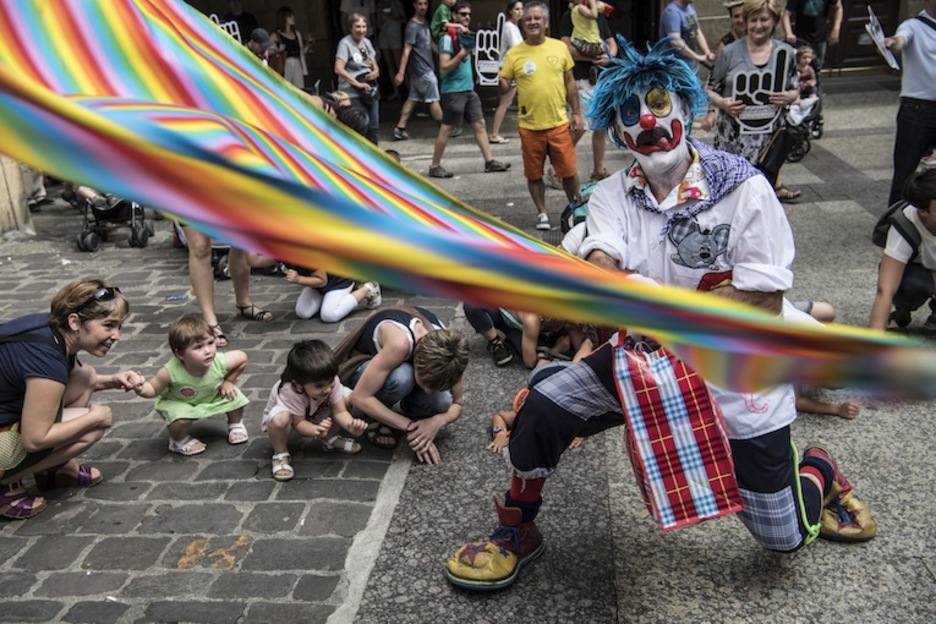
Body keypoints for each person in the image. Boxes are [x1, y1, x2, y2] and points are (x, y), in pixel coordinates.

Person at [444, 33, 875, 592]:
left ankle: (817, 468)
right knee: (545, 405)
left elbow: (763, 301)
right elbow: (602, 261)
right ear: (617, 130)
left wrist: (644, 298)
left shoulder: (744, 190)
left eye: (657, 104)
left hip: (734, 377)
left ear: (686, 107)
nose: (646, 122)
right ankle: (517, 530)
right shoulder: (611, 195)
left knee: (783, 538)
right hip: (643, 362)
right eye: (630, 113)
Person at [0, 280, 135, 520]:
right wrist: (94, 417)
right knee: (91, 428)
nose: (117, 336)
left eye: (120, 327)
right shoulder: (46, 359)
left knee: (85, 377)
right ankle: (5, 485)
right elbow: (35, 439)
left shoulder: (51, 330)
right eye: (109, 326)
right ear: (75, 322)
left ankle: (53, 470)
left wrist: (112, 380)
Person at [343, 307, 469, 465]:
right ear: (417, 361)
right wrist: (411, 428)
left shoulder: (452, 355)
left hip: (404, 365)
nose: (429, 391)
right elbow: (359, 397)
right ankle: (378, 414)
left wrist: (437, 421)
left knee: (443, 401)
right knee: (402, 378)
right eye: (425, 383)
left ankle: (408, 407)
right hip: (365, 371)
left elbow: (457, 403)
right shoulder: (399, 344)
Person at [707, 0, 801, 202]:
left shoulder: (785, 53)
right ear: (746, 22)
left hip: (768, 143)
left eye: (764, 19)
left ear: (774, 20)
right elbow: (708, 89)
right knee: (732, 197)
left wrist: (789, 97)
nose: (759, 25)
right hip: (732, 139)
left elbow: (795, 88)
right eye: (753, 20)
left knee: (763, 198)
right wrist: (723, 104)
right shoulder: (729, 52)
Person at [500, 1, 581, 231]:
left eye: (537, 18)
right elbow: (505, 88)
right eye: (528, 19)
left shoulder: (559, 48)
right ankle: (542, 213)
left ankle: (576, 208)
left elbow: (570, 82)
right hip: (529, 126)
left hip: (559, 123)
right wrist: (502, 81)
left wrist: (576, 113)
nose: (533, 22)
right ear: (523, 24)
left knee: (569, 172)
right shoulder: (514, 54)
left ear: (545, 23)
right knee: (534, 174)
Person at [131, 315, 249, 456]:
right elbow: (153, 389)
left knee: (234, 397)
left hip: (212, 395)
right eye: (198, 347)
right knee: (180, 419)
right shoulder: (169, 372)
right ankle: (178, 440)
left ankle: (235, 424)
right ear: (180, 354)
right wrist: (140, 388)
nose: (208, 350)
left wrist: (228, 381)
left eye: (210, 342)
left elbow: (242, 358)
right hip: (181, 401)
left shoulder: (219, 361)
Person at [262, 341, 368, 481]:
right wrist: (316, 430)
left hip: (315, 415)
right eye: (319, 386)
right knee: (280, 417)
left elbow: (340, 412)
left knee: (348, 397)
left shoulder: (330, 381)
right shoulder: (290, 391)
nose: (328, 389)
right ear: (299, 384)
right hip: (289, 427)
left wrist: (351, 425)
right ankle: (280, 453)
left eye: (330, 382)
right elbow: (299, 424)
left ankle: (330, 438)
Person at [427, 2, 511, 179]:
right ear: (454, 16)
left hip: (468, 89)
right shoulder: (447, 38)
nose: (467, 18)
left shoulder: (465, 36)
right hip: (453, 91)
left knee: (479, 124)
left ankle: (489, 161)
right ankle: (435, 165)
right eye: (463, 14)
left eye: (469, 15)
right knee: (447, 128)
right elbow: (443, 67)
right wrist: (462, 54)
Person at [870, 165, 936, 332]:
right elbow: (885, 290)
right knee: (909, 285)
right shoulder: (905, 224)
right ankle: (902, 312)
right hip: (920, 274)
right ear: (923, 212)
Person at [883, 0, 936, 208]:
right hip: (917, 109)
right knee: (905, 170)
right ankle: (894, 222)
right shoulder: (913, 25)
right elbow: (901, 40)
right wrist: (892, 43)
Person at [559, 4, 618, 182]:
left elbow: (611, 43)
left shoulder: (598, 16)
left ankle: (599, 171)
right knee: (579, 127)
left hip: (600, 78)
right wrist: (590, 58)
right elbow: (565, 48)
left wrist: (609, 57)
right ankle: (558, 170)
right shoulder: (569, 15)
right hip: (580, 78)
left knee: (600, 126)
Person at [392, 0, 444, 141]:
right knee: (433, 100)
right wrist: (401, 72)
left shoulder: (425, 22)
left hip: (419, 72)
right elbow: (406, 50)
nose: (423, 7)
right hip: (423, 71)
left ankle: (400, 128)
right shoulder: (412, 26)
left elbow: (430, 43)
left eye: (425, 4)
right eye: (420, 4)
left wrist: (442, 54)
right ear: (414, 5)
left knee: (413, 98)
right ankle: (445, 128)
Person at [335, 13, 381, 145]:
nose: (361, 30)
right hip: (353, 93)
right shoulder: (345, 44)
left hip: (369, 91)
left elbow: (373, 62)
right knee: (360, 128)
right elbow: (338, 69)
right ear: (351, 28)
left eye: (364, 26)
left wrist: (376, 72)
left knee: (374, 127)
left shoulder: (367, 42)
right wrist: (357, 84)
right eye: (358, 27)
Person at [284, 265, 381, 322]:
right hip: (317, 286)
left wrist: (299, 279)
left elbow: (322, 281)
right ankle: (326, 298)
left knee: (329, 315)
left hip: (339, 280)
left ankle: (367, 289)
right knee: (303, 312)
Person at [488, 0, 525, 145]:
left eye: (521, 9)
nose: (520, 12)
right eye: (517, 9)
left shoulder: (514, 27)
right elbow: (517, 48)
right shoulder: (510, 27)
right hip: (509, 69)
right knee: (505, 102)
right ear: (510, 11)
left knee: (509, 101)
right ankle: (495, 133)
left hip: (511, 68)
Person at [781, 0, 842, 70]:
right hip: (801, 38)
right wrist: (788, 33)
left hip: (820, 37)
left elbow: (838, 8)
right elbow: (786, 14)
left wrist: (836, 29)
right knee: (799, 67)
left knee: (817, 67)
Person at [660, 0, 715, 71]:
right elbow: (675, 41)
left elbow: (697, 32)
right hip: (674, 67)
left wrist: (707, 52)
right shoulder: (671, 12)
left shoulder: (690, 9)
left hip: (689, 66)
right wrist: (697, 57)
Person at [270, 6, 310, 89]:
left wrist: (308, 45)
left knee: (299, 90)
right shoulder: (276, 35)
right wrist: (277, 50)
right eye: (289, 16)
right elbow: (267, 50)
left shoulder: (297, 34)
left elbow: (301, 53)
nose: (293, 18)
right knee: (286, 89)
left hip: (297, 64)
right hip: (285, 64)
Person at [376, 0, 406, 100]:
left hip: (395, 35)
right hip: (384, 36)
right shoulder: (380, 5)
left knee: (399, 64)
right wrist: (380, 13)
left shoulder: (396, 3)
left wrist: (392, 15)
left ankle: (410, 90)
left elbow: (404, 20)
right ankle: (396, 91)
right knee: (390, 65)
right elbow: (378, 25)